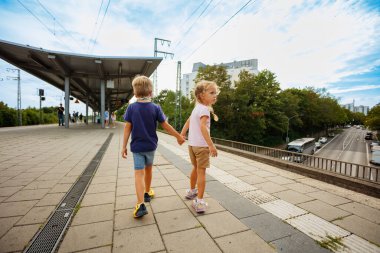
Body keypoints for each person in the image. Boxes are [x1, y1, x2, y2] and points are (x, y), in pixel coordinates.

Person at [121, 75, 185, 218]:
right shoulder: (155, 107)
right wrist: (179, 136)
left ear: (135, 92)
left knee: (139, 173)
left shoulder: (131, 108)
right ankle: (147, 192)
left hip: (137, 147)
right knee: (149, 170)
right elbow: (165, 125)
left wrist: (123, 146)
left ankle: (140, 204)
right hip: (151, 146)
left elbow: (127, 128)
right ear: (150, 92)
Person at [180, 80, 219, 213]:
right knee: (201, 172)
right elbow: (203, 127)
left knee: (195, 168)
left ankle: (192, 191)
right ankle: (200, 201)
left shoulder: (196, 108)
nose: (215, 95)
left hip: (192, 145)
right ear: (202, 95)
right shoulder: (205, 110)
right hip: (202, 147)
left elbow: (188, 121)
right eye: (212, 92)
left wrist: (182, 134)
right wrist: (211, 145)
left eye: (216, 93)